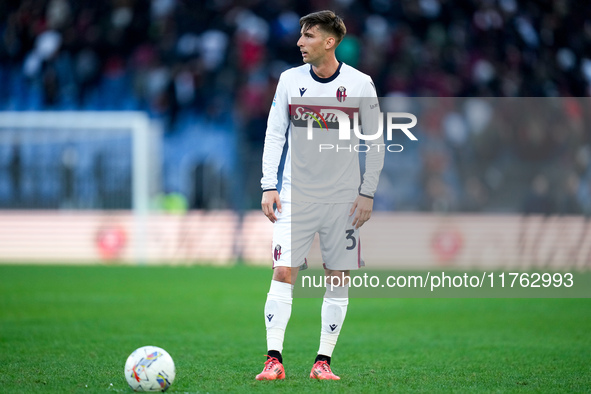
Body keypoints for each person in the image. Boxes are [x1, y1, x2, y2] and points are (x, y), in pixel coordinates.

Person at [257, 10, 384, 381]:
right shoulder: (289, 80)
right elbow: (275, 133)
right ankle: (273, 359)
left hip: (343, 200)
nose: (300, 42)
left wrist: (367, 193)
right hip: (295, 196)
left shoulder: (361, 84)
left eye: (309, 36)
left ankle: (322, 362)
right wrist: (269, 184)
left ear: (330, 42)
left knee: (337, 275)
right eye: (301, 35)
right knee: (283, 271)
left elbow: (375, 142)